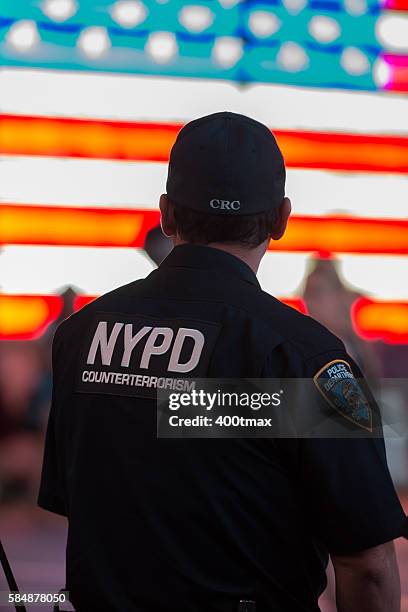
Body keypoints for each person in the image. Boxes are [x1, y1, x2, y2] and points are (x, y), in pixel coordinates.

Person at [38, 112, 407, 612]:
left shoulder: (80, 336)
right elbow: (367, 567)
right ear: (281, 218)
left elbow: (85, 504)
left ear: (166, 215)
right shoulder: (305, 359)